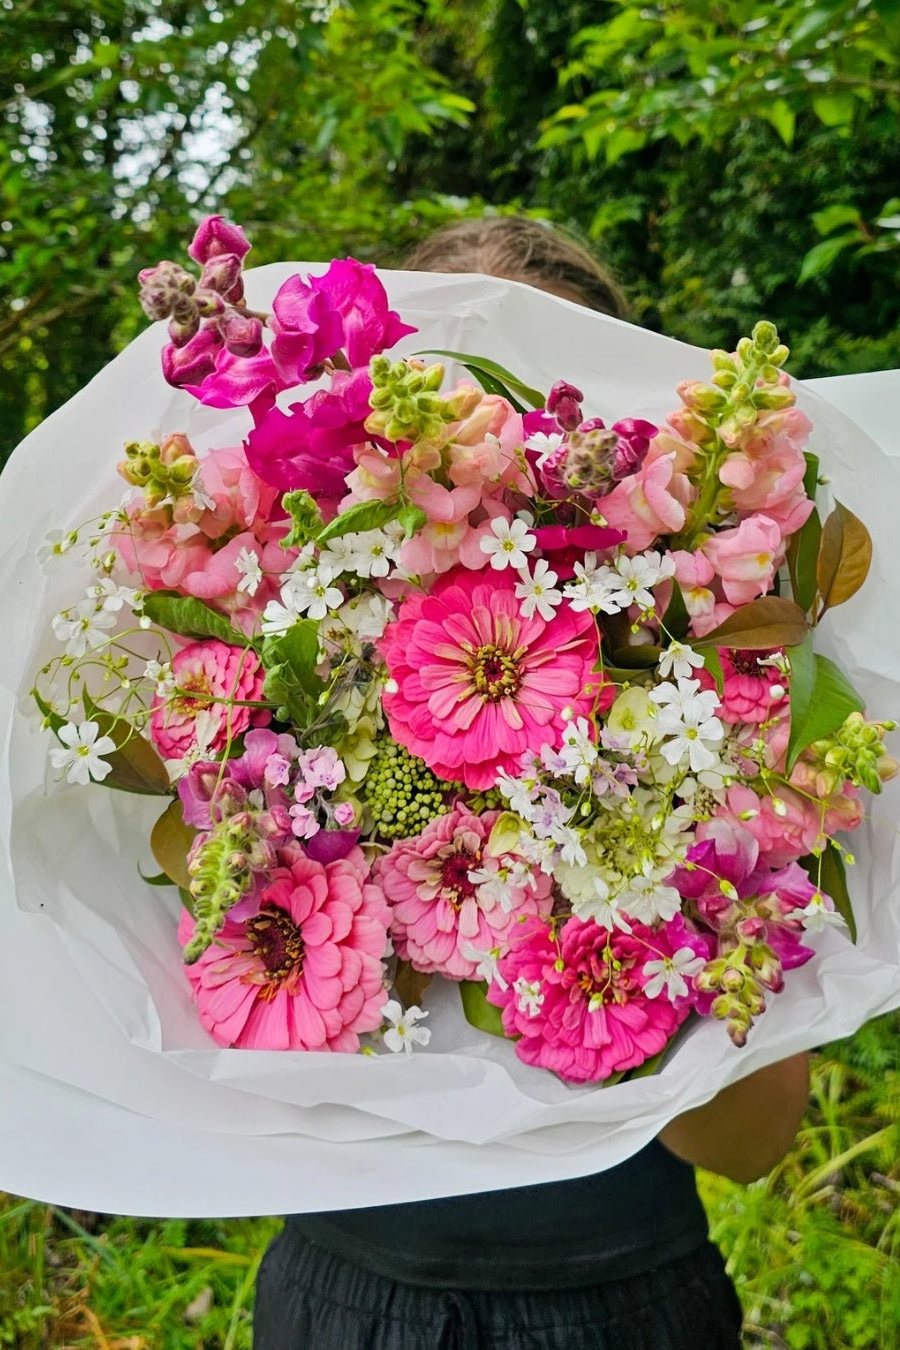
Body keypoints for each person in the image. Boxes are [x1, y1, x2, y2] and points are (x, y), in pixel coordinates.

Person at [251, 215, 811, 1350]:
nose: (491, 468)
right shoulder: (280, 702)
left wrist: (641, 879)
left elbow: (749, 1144)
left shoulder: (715, 703)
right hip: (345, 1295)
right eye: (449, 403)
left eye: (532, 417)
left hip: (621, 1300)